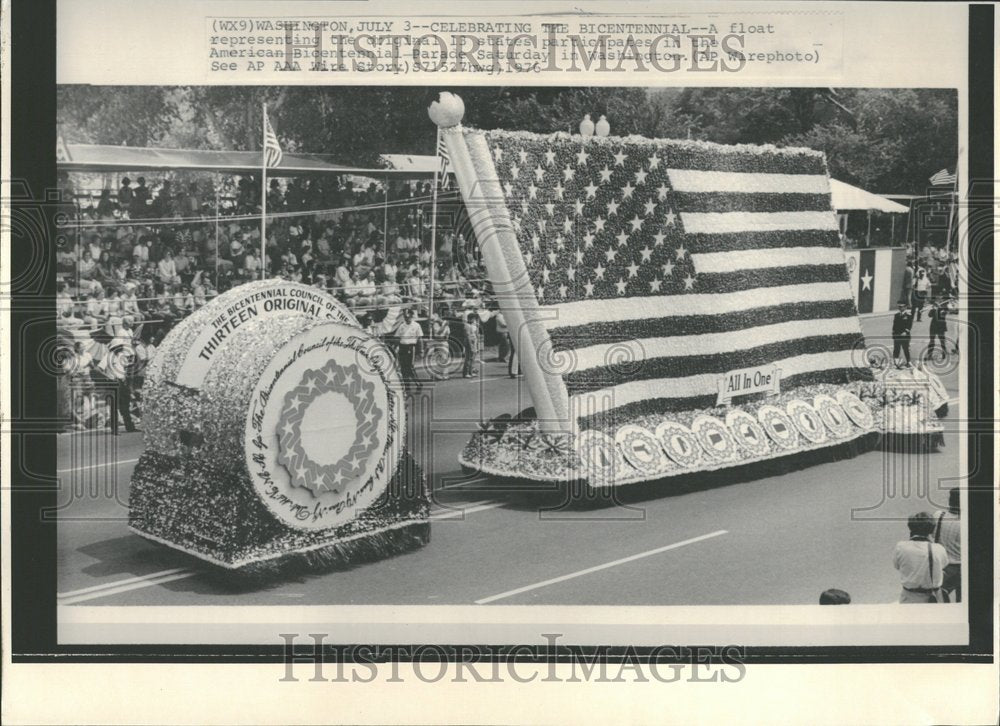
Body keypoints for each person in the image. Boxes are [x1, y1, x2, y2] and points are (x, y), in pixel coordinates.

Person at [893, 512, 949, 603]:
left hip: (908, 598)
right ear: (931, 530)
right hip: (932, 598)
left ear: (910, 528)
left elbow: (897, 566)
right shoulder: (939, 549)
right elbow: (943, 565)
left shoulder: (901, 547)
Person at [933, 488, 962, 602]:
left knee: (940, 596)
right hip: (961, 568)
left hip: (942, 567)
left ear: (950, 500)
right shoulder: (967, 522)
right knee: (964, 603)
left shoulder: (938, 515)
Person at [394, 309, 423, 387]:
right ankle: (407, 385)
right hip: (402, 347)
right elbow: (397, 337)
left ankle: (418, 383)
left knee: (410, 366)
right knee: (403, 367)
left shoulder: (416, 325)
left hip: (411, 347)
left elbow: (419, 339)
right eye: (405, 317)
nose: (407, 319)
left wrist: (420, 351)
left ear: (411, 316)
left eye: (408, 317)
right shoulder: (402, 326)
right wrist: (395, 347)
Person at [428, 313, 451, 381]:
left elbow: (447, 333)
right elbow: (438, 334)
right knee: (438, 359)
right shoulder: (435, 325)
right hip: (437, 342)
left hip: (443, 341)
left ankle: (443, 375)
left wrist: (444, 325)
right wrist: (444, 325)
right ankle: (438, 375)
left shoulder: (442, 324)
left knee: (444, 358)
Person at [891, 301, 912, 367]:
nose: (900, 308)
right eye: (899, 307)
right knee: (896, 349)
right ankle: (896, 362)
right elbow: (894, 325)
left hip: (904, 335)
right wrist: (893, 333)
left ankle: (908, 362)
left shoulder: (908, 315)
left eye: (901, 307)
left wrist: (906, 332)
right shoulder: (896, 315)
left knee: (906, 349)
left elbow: (909, 325)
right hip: (897, 335)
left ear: (905, 307)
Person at [462, 312, 480, 378]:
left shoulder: (473, 325)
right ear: (470, 319)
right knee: (468, 358)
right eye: (473, 319)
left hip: (474, 342)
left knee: (473, 358)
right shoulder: (467, 326)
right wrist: (471, 346)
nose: (474, 320)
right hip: (469, 342)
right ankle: (466, 372)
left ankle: (470, 372)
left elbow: (476, 334)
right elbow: (468, 336)